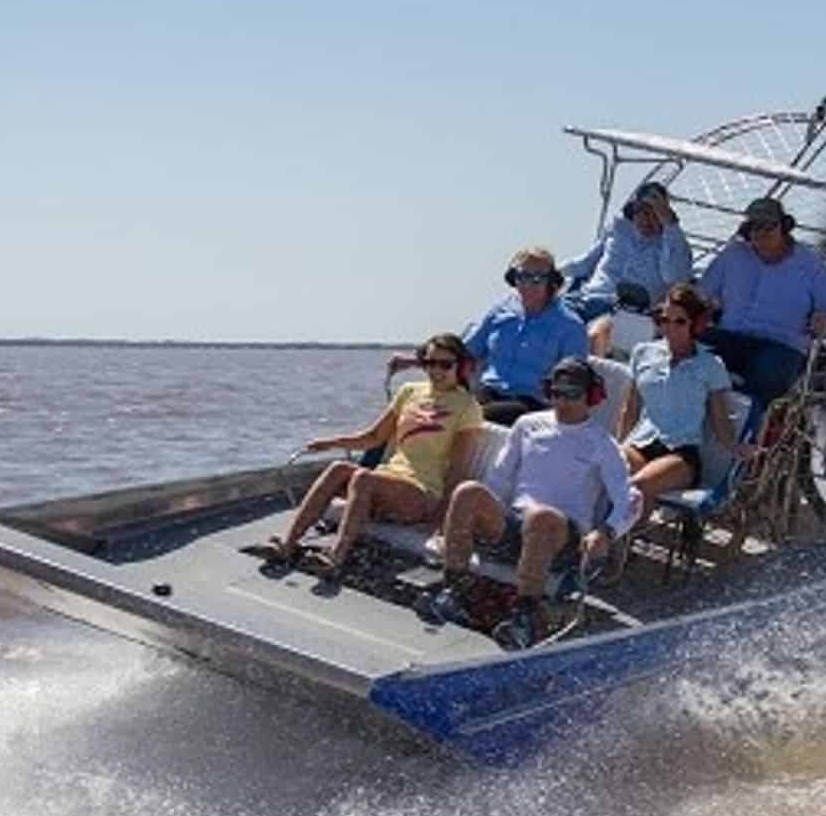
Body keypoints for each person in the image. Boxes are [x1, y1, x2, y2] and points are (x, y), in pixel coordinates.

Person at [415, 357, 639, 650]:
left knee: (540, 518)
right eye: (556, 393)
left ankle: (525, 615)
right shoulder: (527, 425)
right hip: (515, 527)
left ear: (591, 397)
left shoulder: (603, 444)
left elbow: (629, 500)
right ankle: (454, 589)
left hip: (562, 539)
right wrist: (473, 518)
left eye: (572, 394)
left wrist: (607, 533)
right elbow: (499, 479)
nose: (562, 401)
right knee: (468, 492)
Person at [265, 334, 482, 578]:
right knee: (338, 468)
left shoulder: (467, 407)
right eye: (430, 363)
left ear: (459, 366)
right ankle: (288, 543)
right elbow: (374, 437)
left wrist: (440, 520)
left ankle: (336, 556)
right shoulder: (409, 391)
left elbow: (459, 468)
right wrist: (329, 443)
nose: (436, 370)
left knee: (364, 478)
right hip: (388, 480)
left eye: (445, 364)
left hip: (424, 493)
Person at [388, 247, 588, 427]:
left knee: (464, 417)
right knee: (418, 411)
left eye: (537, 278)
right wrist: (414, 361)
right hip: (487, 392)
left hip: (530, 403)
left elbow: (574, 380)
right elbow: (465, 351)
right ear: (513, 279)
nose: (528, 284)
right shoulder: (501, 311)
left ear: (551, 281)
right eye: (522, 277)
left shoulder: (570, 326)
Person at [618, 284, 757, 520]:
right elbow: (630, 409)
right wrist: (617, 445)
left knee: (637, 488)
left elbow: (719, 418)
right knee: (604, 473)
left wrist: (736, 447)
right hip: (639, 443)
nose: (669, 328)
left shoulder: (710, 365)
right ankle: (616, 540)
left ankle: (614, 538)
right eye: (664, 320)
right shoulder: (642, 353)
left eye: (679, 322)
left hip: (680, 454)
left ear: (695, 324)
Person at [698, 197, 826, 406]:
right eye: (755, 227)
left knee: (766, 378)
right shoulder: (733, 255)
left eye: (769, 226)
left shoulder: (811, 264)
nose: (762, 233)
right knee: (693, 353)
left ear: (783, 227)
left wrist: (824, 321)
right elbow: (701, 294)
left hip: (781, 347)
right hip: (730, 337)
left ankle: (748, 421)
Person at [560, 181, 693, 353]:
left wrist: (670, 226)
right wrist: (550, 271)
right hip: (587, 298)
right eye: (641, 211)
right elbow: (585, 263)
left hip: (628, 314)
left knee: (593, 336)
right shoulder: (618, 228)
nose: (647, 219)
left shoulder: (674, 244)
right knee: (549, 317)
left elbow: (674, 278)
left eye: (655, 213)